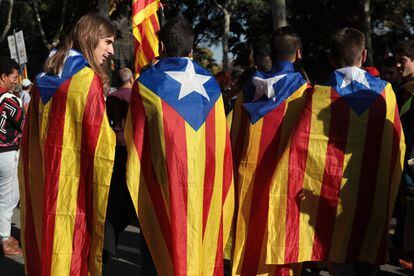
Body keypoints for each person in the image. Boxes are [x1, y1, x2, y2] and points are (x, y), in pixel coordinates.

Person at [263, 27, 404, 275]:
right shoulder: (386, 93)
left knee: (340, 260)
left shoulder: (318, 94)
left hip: (329, 201)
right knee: (367, 259)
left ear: (330, 58)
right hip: (371, 198)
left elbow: (299, 150)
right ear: (364, 55)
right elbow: (397, 147)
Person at [124, 17, 234, 275]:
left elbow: (134, 140)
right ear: (192, 49)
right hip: (205, 188)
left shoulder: (146, 84)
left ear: (160, 47)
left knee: (159, 253)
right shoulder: (213, 86)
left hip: (163, 188)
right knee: (200, 251)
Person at [19, 13, 116, 275]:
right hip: (74, 190)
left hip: (44, 182)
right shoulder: (86, 80)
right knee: (71, 253)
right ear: (91, 38)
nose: (111, 50)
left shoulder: (42, 75)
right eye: (107, 42)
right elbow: (100, 146)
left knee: (47, 247)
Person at [230, 26, 310, 275]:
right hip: (284, 185)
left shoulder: (247, 91)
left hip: (247, 182)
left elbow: (234, 137)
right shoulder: (304, 93)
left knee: (248, 245)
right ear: (298, 53)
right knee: (279, 246)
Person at [103, 67, 135, 258]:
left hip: (114, 141)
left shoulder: (112, 96)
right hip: (128, 144)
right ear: (131, 80)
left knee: (116, 184)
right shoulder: (134, 96)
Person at [0, 57, 24, 256]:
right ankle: (5, 238)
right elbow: (24, 125)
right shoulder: (8, 100)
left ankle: (5, 234)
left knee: (10, 196)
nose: (16, 81)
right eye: (14, 77)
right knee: (7, 198)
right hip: (6, 154)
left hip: (5, 154)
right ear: (3, 77)